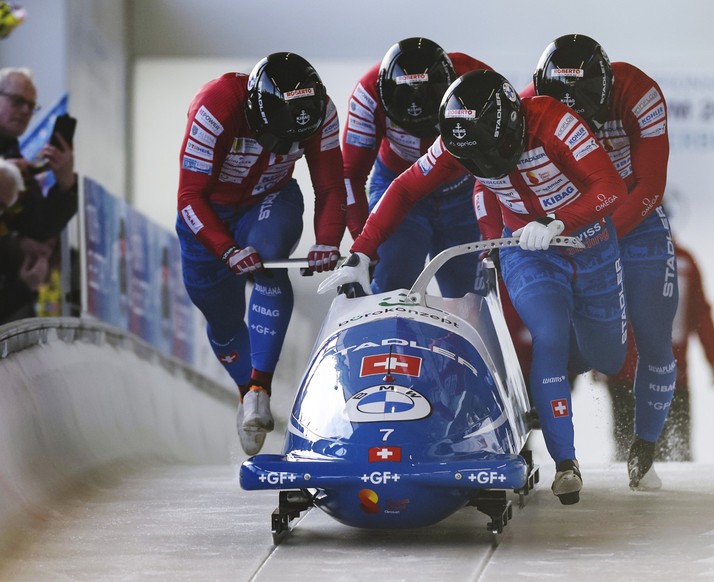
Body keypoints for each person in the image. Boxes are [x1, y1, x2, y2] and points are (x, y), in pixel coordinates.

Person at [320, 69, 629, 506]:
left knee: (607, 356)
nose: (486, 167)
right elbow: (404, 188)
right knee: (549, 334)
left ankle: (555, 379)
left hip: (588, 242)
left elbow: (610, 187)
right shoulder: (455, 141)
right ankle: (565, 463)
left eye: (493, 153)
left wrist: (560, 220)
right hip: (527, 246)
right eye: (475, 161)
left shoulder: (556, 123)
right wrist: (363, 252)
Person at [175, 52, 346, 456]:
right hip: (208, 212)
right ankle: (246, 391)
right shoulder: (215, 108)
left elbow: (331, 186)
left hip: (269, 198)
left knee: (268, 257)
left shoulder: (320, 111)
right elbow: (188, 197)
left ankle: (259, 387)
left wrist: (327, 241)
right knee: (221, 317)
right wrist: (225, 248)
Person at [528, 34, 678, 489]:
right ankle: (554, 436)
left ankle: (645, 446)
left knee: (652, 331)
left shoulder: (640, 94)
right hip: (569, 223)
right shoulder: (526, 106)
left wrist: (602, 232)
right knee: (561, 332)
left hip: (631, 219)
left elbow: (651, 184)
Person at [342, 37, 491, 297]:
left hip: (464, 193)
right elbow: (350, 175)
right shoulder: (368, 94)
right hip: (399, 188)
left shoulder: (478, 85)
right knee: (392, 285)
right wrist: (363, 248)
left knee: (468, 297)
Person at [598, 239, 714, 462]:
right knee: (628, 445)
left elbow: (699, 312)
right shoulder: (618, 256)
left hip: (669, 373)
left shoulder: (683, 259)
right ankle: (628, 486)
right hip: (629, 372)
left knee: (676, 448)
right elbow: (604, 308)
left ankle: (675, 486)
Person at [0, 67, 78, 324]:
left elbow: (39, 226)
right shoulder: (15, 163)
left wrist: (65, 180)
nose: (24, 111)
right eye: (17, 101)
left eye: (31, 106)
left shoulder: (16, 155)